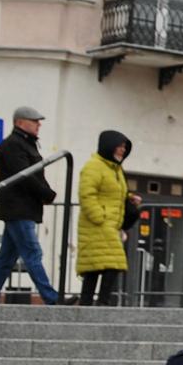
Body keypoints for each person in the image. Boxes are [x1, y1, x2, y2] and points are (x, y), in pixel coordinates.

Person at [0, 106, 62, 305]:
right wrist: (46, 194)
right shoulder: (13, 145)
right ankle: (52, 299)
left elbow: (33, 175)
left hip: (22, 209)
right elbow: (25, 176)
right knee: (33, 253)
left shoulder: (25, 144)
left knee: (6, 260)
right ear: (20, 122)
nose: (38, 124)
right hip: (19, 209)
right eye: (34, 121)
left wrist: (45, 193)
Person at [74, 129, 135, 307]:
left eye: (124, 147)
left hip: (109, 224)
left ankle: (88, 302)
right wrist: (99, 216)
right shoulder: (93, 167)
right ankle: (102, 302)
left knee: (96, 265)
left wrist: (130, 198)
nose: (123, 150)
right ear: (109, 146)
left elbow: (114, 193)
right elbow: (86, 194)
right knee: (113, 262)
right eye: (119, 146)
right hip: (98, 224)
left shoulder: (115, 169)